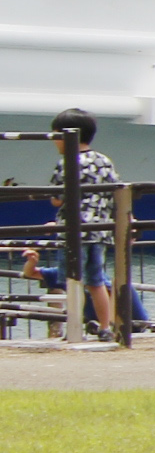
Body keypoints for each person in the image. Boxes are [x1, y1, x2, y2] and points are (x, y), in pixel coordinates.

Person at [23, 107, 125, 342]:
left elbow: (58, 197)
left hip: (73, 230)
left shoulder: (67, 162)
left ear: (64, 135)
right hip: (99, 230)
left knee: (73, 280)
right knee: (96, 281)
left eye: (55, 136)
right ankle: (105, 327)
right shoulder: (103, 160)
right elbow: (117, 189)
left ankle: (75, 328)